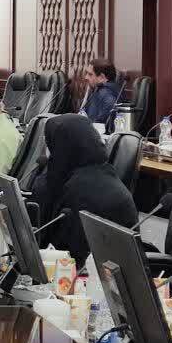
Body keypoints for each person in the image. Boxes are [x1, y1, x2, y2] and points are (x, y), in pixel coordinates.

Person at [32, 114, 137, 266]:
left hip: (96, 271)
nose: (48, 151)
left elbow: (67, 251)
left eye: (50, 144)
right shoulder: (87, 173)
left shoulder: (85, 190)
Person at [80, 58, 122, 125]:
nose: (86, 77)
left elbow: (98, 125)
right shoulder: (98, 90)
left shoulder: (106, 95)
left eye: (90, 74)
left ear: (102, 77)